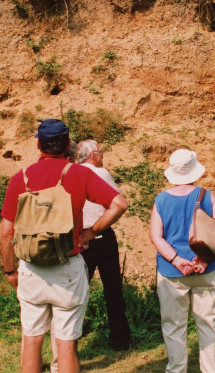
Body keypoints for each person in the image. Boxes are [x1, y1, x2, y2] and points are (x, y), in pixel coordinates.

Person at [0, 119, 128, 373]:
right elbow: (119, 205)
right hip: (68, 267)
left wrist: (10, 271)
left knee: (32, 340)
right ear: (68, 144)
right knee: (66, 343)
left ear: (38, 144)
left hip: (32, 268)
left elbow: (6, 234)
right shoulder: (80, 174)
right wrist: (90, 233)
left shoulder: (20, 178)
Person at [149, 149, 215, 373]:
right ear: (195, 170)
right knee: (208, 325)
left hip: (172, 272)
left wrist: (176, 260)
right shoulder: (206, 195)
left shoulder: (161, 200)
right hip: (206, 270)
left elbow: (156, 236)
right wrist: (206, 258)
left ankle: (176, 369)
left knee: (174, 326)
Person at [75, 140, 132, 351]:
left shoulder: (71, 174)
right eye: (100, 152)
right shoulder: (100, 173)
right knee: (112, 289)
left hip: (79, 239)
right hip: (100, 235)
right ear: (92, 155)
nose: (102, 155)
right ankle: (120, 339)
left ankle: (70, 336)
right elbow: (117, 204)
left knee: (77, 291)